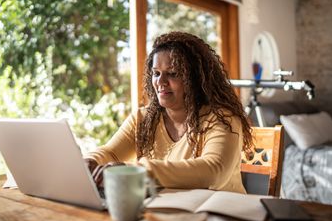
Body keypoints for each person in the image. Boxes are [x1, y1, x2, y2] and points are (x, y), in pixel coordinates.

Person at [84, 31, 252, 193]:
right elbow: (112, 153)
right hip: (172, 210)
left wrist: (134, 171)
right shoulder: (143, 118)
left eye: (172, 74)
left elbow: (214, 171)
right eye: (156, 73)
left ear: (195, 79)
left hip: (224, 215)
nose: (160, 82)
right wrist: (90, 161)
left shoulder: (223, 119)